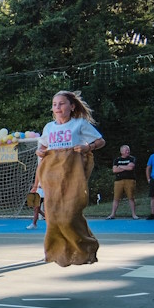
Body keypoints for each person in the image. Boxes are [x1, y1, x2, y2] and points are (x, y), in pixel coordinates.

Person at [33, 90, 105, 266]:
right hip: (52, 174)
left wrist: (88, 147)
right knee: (52, 216)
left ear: (72, 106)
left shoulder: (79, 124)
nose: (57, 107)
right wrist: (39, 150)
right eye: (55, 104)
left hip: (73, 172)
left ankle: (86, 246)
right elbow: (42, 146)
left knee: (70, 215)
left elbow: (101, 141)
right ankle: (53, 251)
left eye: (62, 103)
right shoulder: (49, 127)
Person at [107, 144, 139, 219]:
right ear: (121, 152)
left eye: (128, 150)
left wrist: (120, 167)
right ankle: (112, 214)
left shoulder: (132, 158)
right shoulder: (117, 160)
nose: (127, 151)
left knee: (131, 197)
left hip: (130, 180)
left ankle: (134, 214)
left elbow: (131, 167)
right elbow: (114, 170)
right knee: (116, 198)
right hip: (118, 181)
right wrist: (126, 167)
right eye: (126, 150)